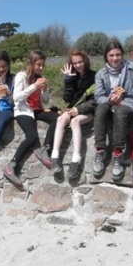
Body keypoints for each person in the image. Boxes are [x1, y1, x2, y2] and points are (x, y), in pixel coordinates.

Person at [92, 40, 133, 181]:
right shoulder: (101, 74)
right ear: (106, 57)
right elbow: (98, 96)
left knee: (121, 111)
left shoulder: (130, 67)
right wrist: (110, 100)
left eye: (118, 55)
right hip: (110, 106)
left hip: (131, 107)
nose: (115, 58)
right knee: (101, 108)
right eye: (111, 55)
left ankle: (117, 154)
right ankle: (100, 151)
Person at [3, 50, 58, 188]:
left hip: (37, 110)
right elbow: (16, 97)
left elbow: (45, 100)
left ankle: (45, 149)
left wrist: (44, 89)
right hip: (23, 110)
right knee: (32, 136)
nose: (41, 68)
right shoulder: (22, 76)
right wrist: (34, 86)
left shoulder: (39, 77)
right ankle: (11, 165)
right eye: (38, 65)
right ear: (31, 63)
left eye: (43, 65)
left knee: (57, 118)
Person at [48, 49, 97, 180]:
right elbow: (67, 100)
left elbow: (96, 100)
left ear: (85, 61)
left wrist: (79, 110)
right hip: (73, 109)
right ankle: (54, 157)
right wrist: (68, 81)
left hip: (88, 110)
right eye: (75, 63)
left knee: (75, 122)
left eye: (80, 62)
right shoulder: (73, 76)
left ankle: (76, 160)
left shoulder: (95, 76)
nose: (78, 65)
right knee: (61, 119)